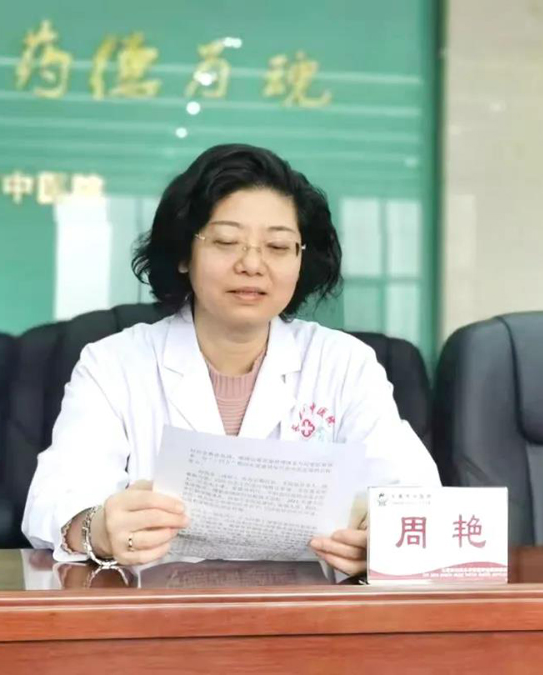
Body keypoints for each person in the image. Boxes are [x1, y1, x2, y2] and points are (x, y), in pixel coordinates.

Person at [22, 143, 440, 576]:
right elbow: (53, 501)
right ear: (184, 254)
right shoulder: (114, 363)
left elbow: (417, 497)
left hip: (306, 608)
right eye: (226, 241)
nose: (252, 264)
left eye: (278, 246)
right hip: (156, 607)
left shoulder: (344, 364)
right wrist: (98, 529)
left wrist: (380, 541)